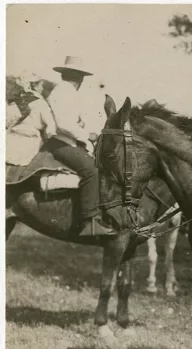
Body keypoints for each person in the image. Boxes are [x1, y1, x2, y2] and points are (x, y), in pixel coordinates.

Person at [46, 56, 116, 236]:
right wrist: (88, 136)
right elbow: (63, 124)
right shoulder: (62, 92)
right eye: (80, 75)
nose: (81, 80)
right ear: (79, 76)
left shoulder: (67, 92)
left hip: (67, 141)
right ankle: (89, 221)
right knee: (92, 170)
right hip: (61, 143)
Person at [6, 74, 57, 166]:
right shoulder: (41, 103)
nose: (42, 88)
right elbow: (50, 126)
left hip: (10, 140)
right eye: (42, 85)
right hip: (29, 143)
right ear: (36, 86)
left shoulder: (17, 100)